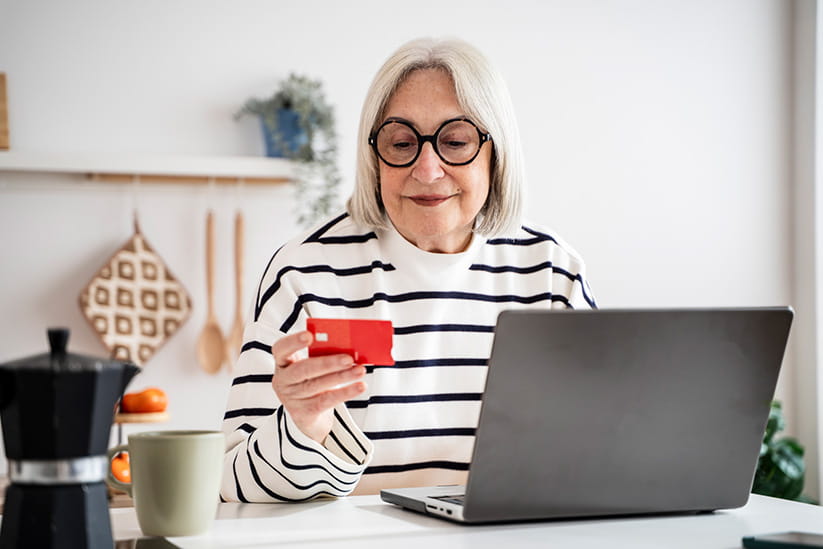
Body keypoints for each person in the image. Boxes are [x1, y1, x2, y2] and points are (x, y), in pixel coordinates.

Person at [221, 37, 596, 502]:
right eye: (401, 143)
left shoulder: (551, 272)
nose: (427, 168)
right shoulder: (306, 272)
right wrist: (304, 427)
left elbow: (598, 451)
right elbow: (232, 482)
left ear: (495, 153)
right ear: (373, 156)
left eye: (455, 141)